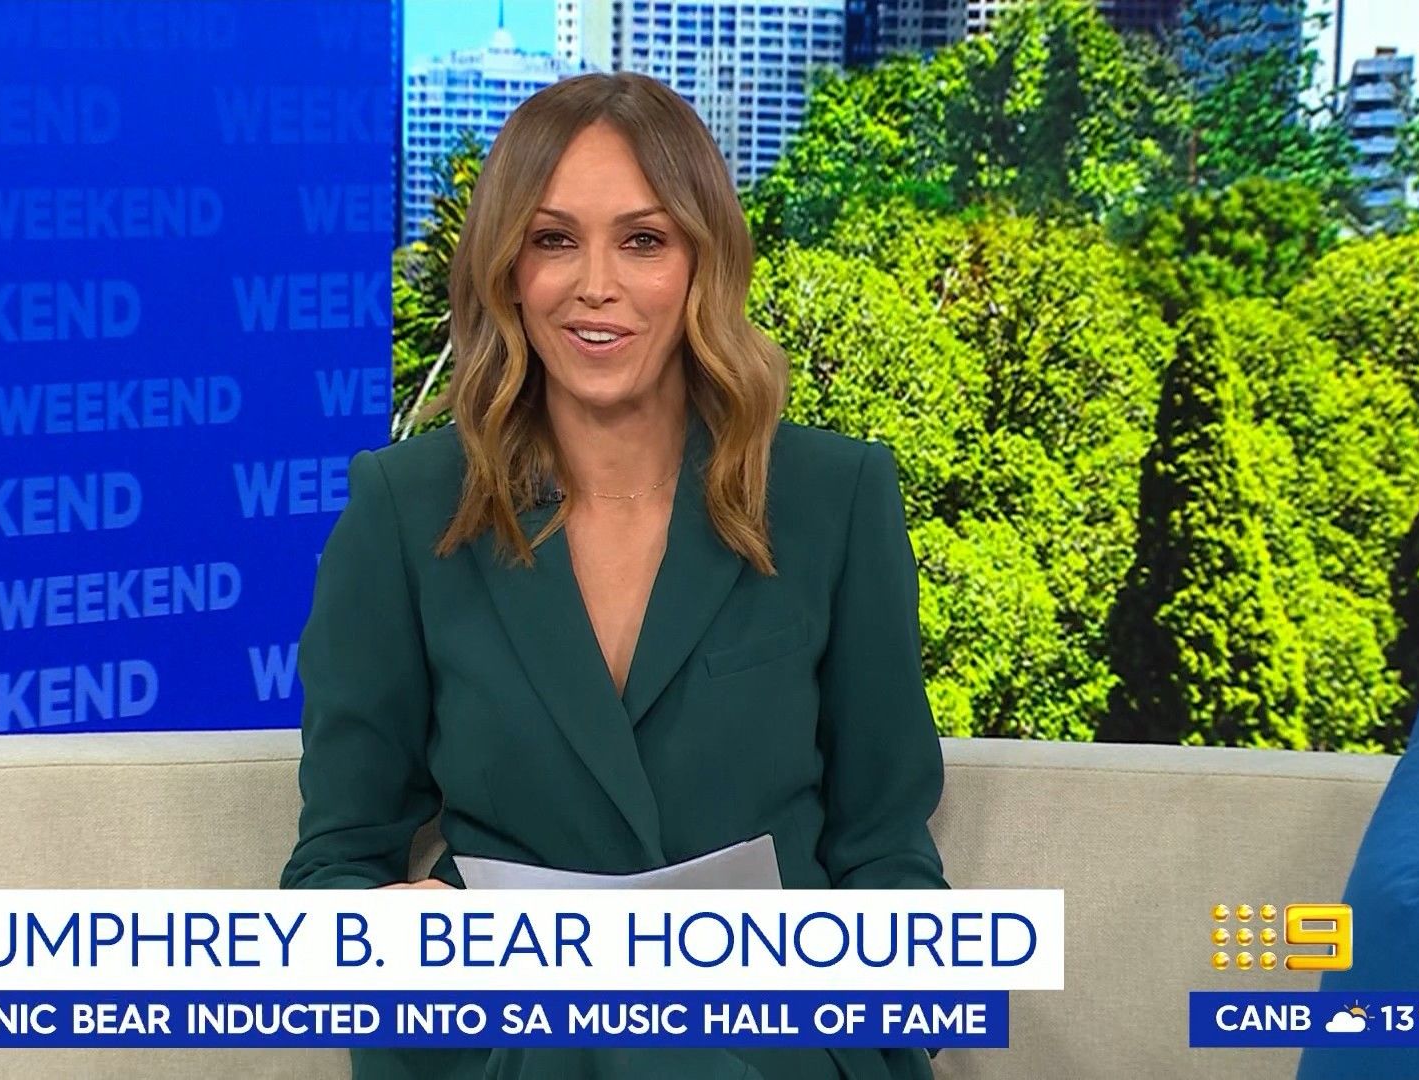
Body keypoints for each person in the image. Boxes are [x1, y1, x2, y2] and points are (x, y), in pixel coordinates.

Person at [280, 71, 949, 1080]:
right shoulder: (404, 509)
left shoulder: (833, 496)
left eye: (643, 240)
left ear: (702, 264)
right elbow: (332, 866)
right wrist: (385, 928)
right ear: (508, 270)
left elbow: (885, 849)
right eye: (554, 240)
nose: (596, 284)